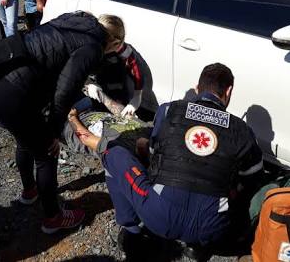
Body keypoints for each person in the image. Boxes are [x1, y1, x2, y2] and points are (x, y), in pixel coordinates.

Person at [0, 12, 125, 234]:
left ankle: (30, 192)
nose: (114, 53)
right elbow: (64, 91)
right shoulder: (93, 48)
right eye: (117, 48)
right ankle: (53, 217)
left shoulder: (75, 21)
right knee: (46, 152)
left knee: (25, 140)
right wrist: (54, 132)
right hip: (12, 92)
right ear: (114, 41)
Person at [98, 63, 264, 259]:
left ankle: (132, 231)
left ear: (196, 89)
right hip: (211, 226)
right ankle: (199, 246)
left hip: (158, 215)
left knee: (113, 152)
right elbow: (253, 179)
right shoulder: (242, 130)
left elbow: (153, 153)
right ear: (228, 91)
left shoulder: (169, 110)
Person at [85, 17, 157, 120]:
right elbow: (75, 68)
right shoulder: (88, 44)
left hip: (124, 77)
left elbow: (138, 77)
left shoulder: (124, 52)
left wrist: (136, 98)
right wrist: (89, 83)